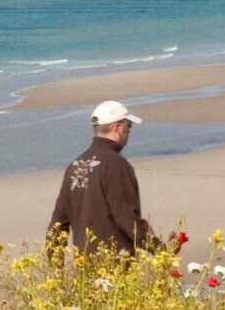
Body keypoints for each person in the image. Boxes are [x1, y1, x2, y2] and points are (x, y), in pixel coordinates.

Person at [49, 101, 150, 254]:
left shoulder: (75, 166)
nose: (129, 132)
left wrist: (55, 269)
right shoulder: (116, 165)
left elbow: (57, 224)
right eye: (129, 127)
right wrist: (162, 252)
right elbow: (127, 219)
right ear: (118, 128)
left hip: (83, 269)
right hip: (115, 266)